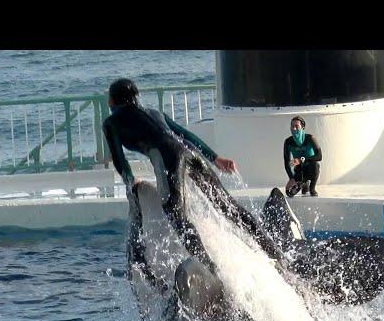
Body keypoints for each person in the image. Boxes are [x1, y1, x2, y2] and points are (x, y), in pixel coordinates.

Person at [102, 78, 286, 274]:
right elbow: (185, 135)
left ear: (112, 101)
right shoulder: (154, 113)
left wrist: (130, 183)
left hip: (169, 159)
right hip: (190, 153)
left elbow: (120, 161)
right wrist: (215, 158)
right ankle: (275, 253)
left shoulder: (111, 123)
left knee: (176, 214)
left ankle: (209, 269)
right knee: (227, 206)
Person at [283, 116, 322, 197]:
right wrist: (291, 178)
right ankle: (304, 183)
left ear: (302, 127)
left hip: (311, 167)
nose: (294, 129)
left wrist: (302, 160)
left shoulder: (310, 138)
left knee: (315, 165)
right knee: (289, 193)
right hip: (299, 170)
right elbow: (287, 163)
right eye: (292, 126)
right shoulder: (288, 142)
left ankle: (312, 188)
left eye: (297, 126)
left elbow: (319, 156)